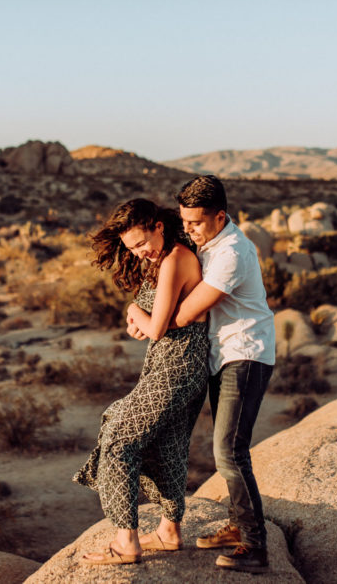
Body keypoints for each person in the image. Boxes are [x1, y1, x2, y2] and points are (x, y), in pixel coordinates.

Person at [127, 174, 275, 574]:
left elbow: (188, 312)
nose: (187, 230)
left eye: (195, 223)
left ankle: (256, 547)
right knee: (224, 446)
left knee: (229, 451)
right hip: (221, 354)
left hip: (245, 355)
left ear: (220, 216)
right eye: (183, 220)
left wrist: (142, 317)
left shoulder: (231, 254)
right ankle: (237, 523)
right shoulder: (207, 242)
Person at [73, 198, 209, 566]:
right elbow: (147, 327)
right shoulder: (162, 261)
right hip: (176, 364)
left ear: (157, 226)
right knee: (168, 445)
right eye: (131, 248)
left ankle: (126, 542)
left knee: (119, 440)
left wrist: (132, 311)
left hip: (177, 365)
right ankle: (168, 531)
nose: (139, 252)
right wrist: (141, 321)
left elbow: (155, 327)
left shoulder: (177, 258)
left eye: (141, 242)